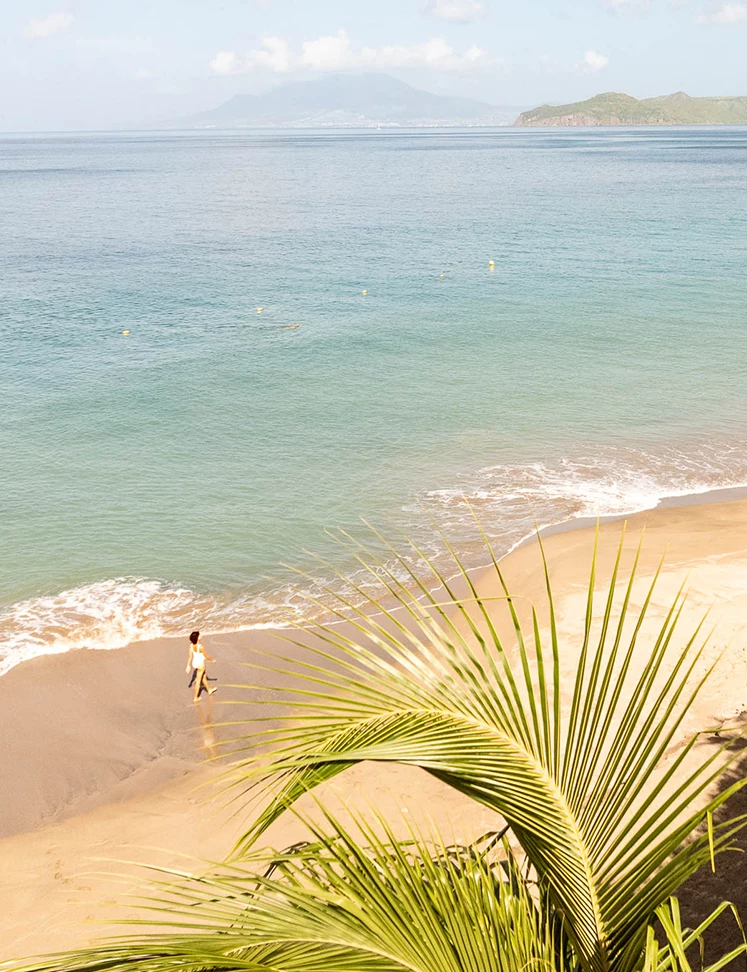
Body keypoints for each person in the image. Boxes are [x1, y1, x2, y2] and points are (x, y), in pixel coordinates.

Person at [186, 630, 216, 703]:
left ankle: (209, 690)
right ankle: (195, 698)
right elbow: (206, 656)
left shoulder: (190, 645)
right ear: (197, 638)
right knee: (198, 681)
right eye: (199, 635)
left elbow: (190, 656)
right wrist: (212, 660)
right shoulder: (201, 647)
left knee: (204, 676)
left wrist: (188, 666)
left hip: (194, 663)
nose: (201, 635)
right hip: (200, 664)